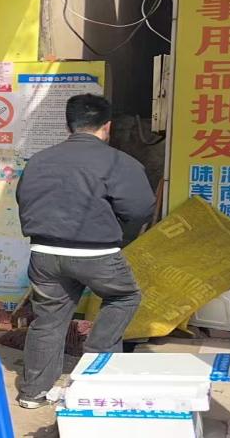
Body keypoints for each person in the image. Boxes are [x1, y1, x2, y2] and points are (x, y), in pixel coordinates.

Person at [14, 94, 155, 409]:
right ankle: (95, 369)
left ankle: (33, 392)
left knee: (48, 319)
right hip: (97, 254)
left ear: (69, 125)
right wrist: (120, 234)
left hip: (44, 254)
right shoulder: (119, 162)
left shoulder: (39, 160)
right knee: (124, 297)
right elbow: (140, 208)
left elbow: (23, 197)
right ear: (107, 126)